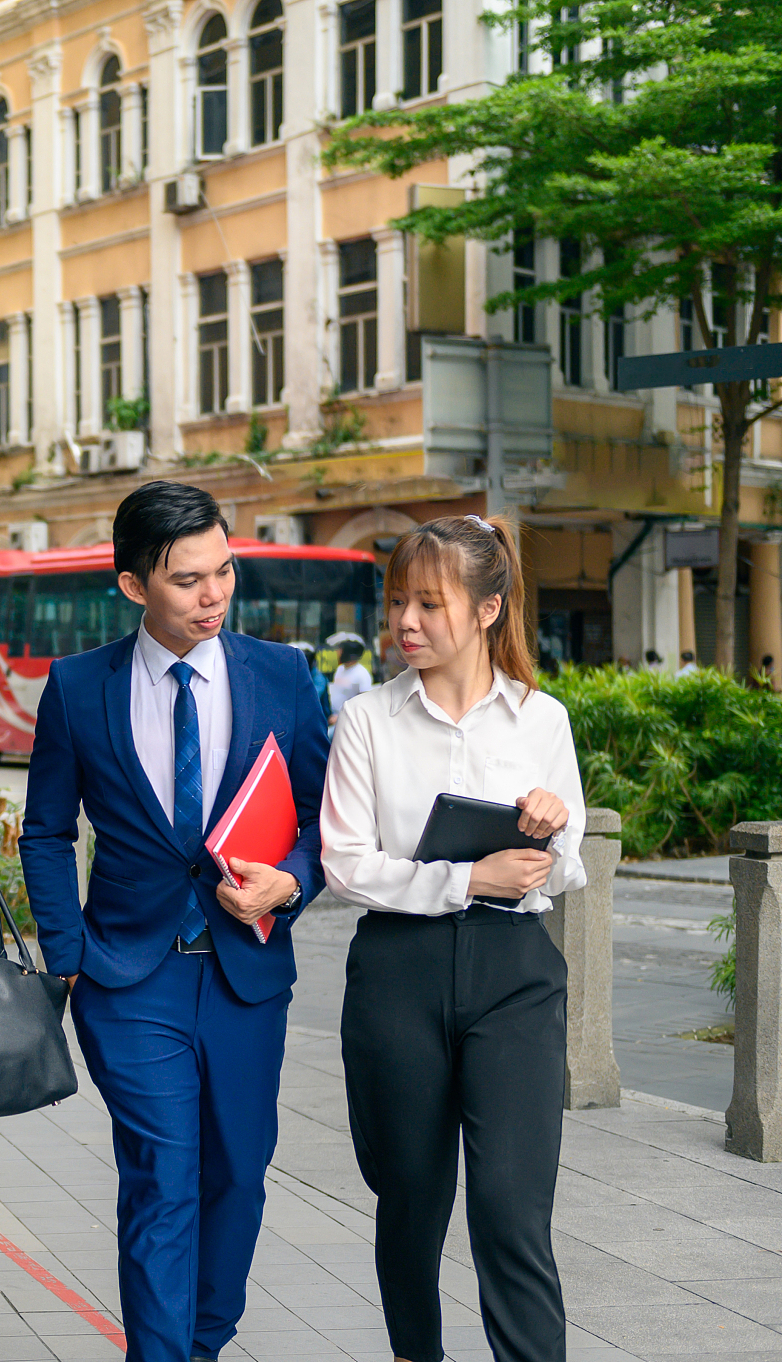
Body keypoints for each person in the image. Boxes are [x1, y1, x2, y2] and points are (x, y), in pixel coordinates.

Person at [19, 480, 329, 1362]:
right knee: (162, 1180)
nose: (213, 595)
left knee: (238, 1172)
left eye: (224, 571)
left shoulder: (281, 675)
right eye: (188, 579)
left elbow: (321, 817)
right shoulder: (79, 689)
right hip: (128, 978)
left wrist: (289, 882)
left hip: (246, 973)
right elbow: (45, 831)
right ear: (133, 586)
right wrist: (68, 953)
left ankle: (201, 1343)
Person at [319, 512, 586, 1362]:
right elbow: (345, 864)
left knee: (511, 1206)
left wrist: (546, 832)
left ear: (487, 610)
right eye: (398, 600)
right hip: (399, 969)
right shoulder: (367, 720)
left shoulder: (541, 719)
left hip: (516, 974)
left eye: (430, 604)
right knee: (411, 1197)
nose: (405, 622)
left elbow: (571, 864)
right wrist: (468, 877)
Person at [329, 639, 373, 716]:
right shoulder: (340, 669)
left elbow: (365, 701)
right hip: (333, 715)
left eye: (340, 650)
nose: (337, 653)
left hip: (348, 717)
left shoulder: (362, 673)